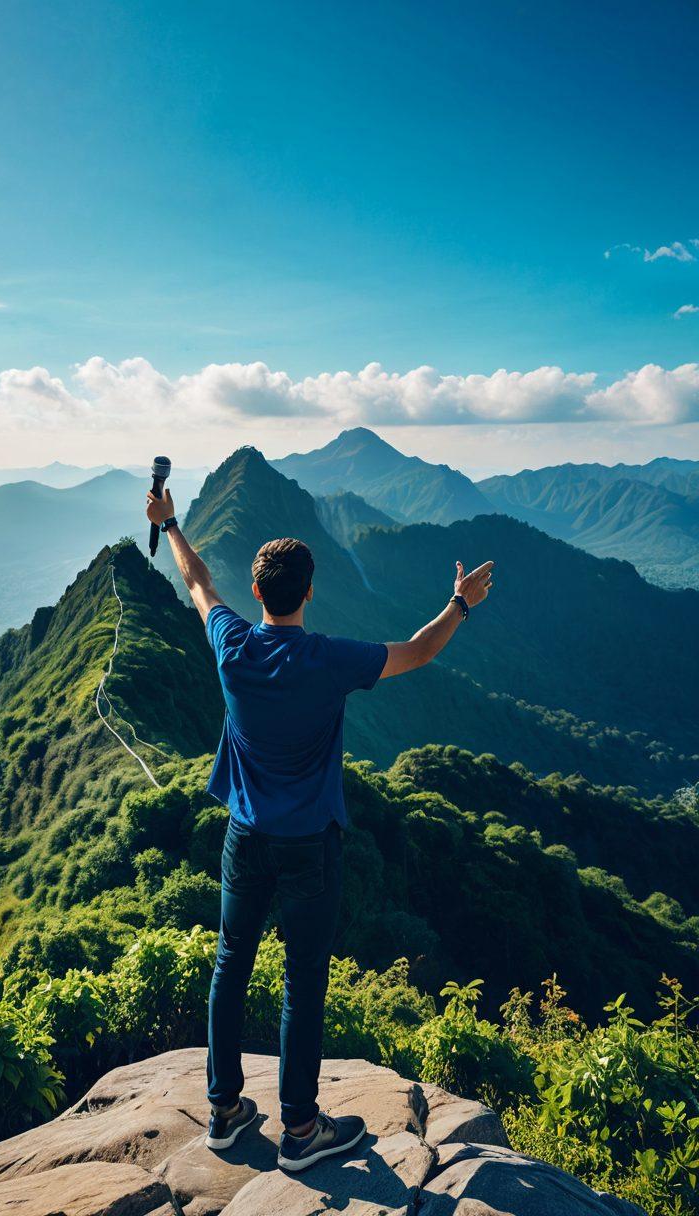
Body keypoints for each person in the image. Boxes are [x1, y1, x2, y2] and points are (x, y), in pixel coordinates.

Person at [147, 485, 494, 1172]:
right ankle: (300, 1130)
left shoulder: (231, 644)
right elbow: (419, 651)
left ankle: (223, 1111)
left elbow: (195, 579)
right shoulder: (330, 658)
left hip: (243, 839)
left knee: (230, 964)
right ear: (310, 593)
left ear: (258, 589)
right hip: (310, 847)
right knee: (303, 980)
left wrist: (172, 523)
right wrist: (462, 602)